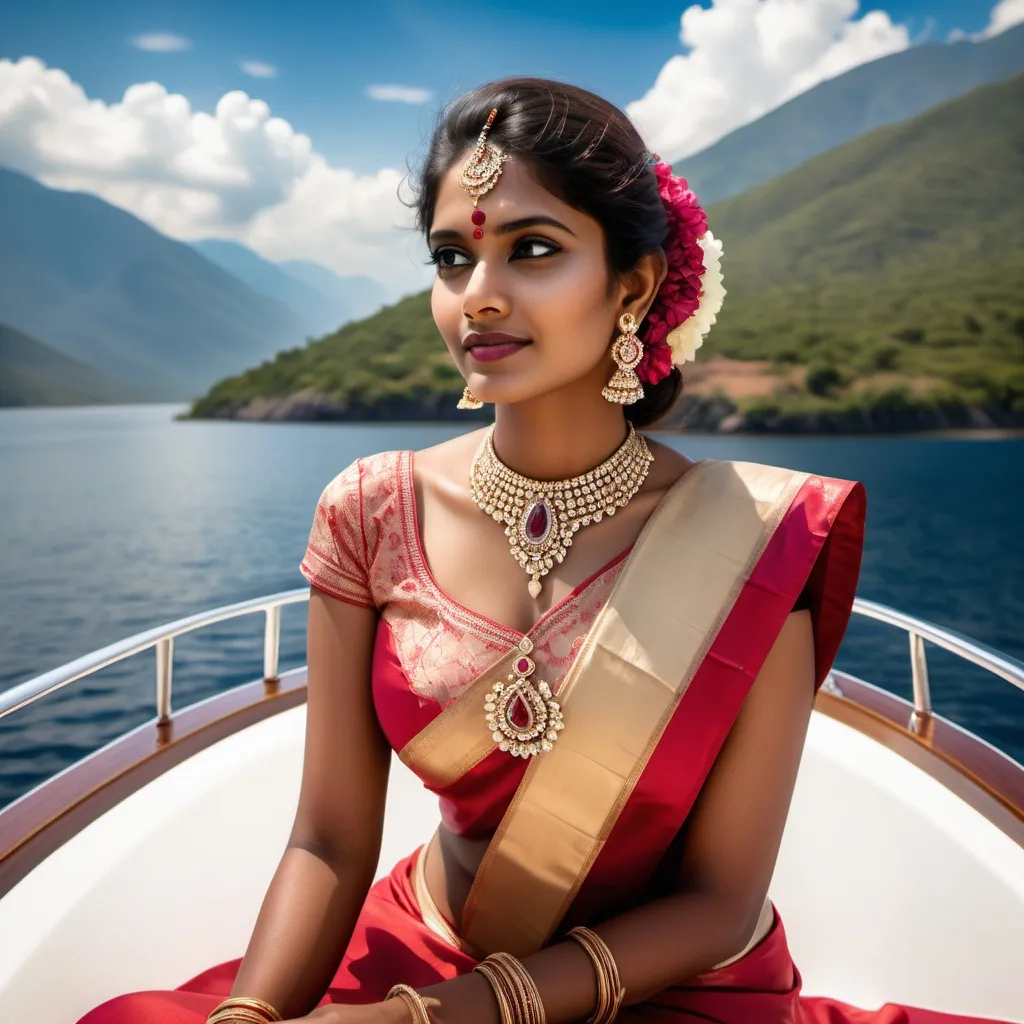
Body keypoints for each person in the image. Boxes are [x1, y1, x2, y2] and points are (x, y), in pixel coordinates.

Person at [79, 78, 1008, 1024]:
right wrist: (254, 1015)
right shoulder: (370, 511)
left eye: (532, 250)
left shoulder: (757, 536)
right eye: (452, 257)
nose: (478, 298)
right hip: (428, 939)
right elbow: (327, 839)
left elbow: (721, 900)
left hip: (672, 984)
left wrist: (428, 1019)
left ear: (634, 285)